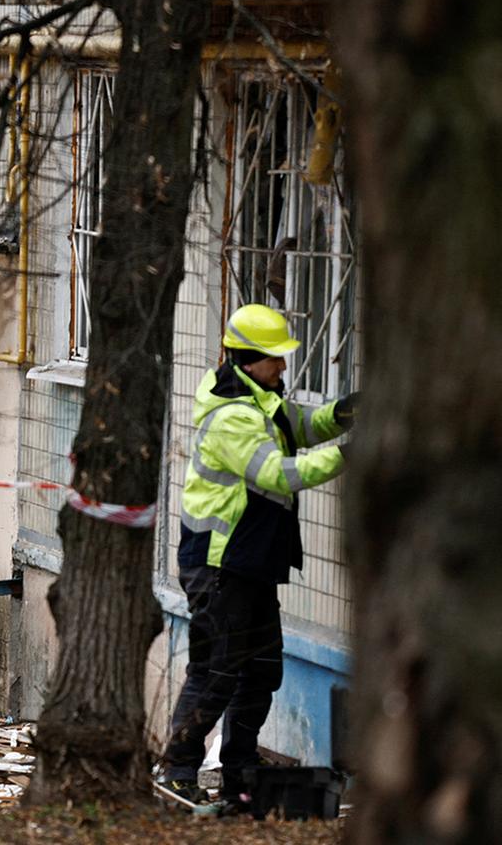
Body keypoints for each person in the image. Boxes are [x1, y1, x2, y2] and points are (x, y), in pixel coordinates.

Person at [155, 303, 356, 811]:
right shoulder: (231, 417)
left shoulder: (261, 399)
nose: (283, 368)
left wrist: (345, 413)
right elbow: (279, 473)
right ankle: (177, 772)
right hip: (220, 564)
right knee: (217, 671)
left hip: (251, 563)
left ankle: (240, 769)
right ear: (248, 359)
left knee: (262, 670)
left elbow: (304, 425)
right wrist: (350, 452)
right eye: (276, 359)